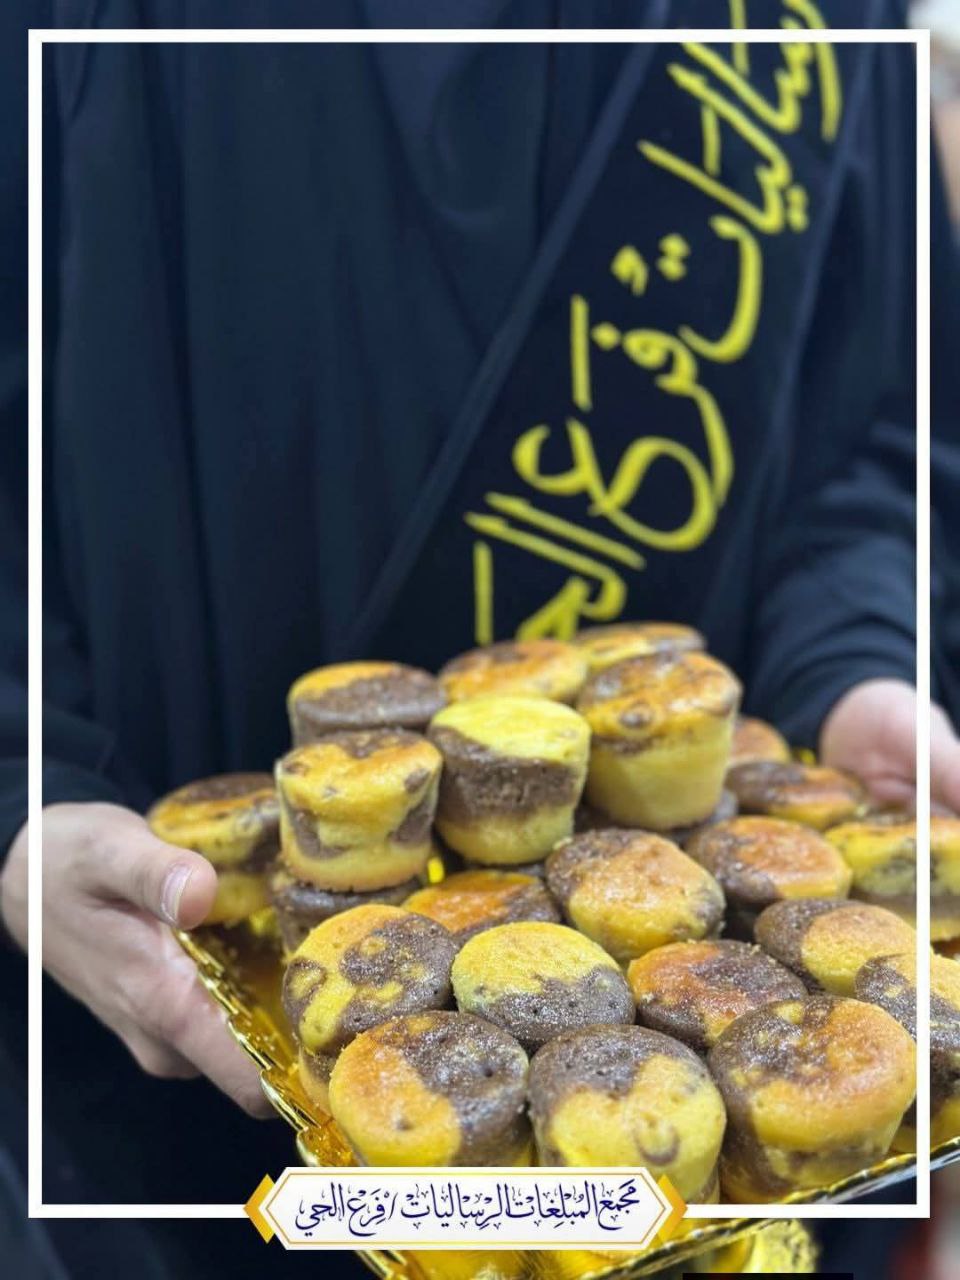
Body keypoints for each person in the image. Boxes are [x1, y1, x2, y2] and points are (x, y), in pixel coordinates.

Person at [1, 1, 957, 1275]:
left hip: (736, 996)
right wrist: (25, 786)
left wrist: (855, 656)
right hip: (185, 1060)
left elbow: (882, 428)